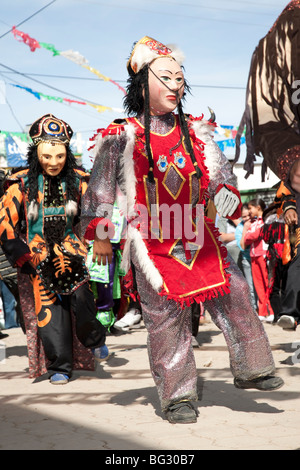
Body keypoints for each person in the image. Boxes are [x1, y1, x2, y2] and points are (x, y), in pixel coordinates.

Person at [81, 36, 283, 424]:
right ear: (142, 83)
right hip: (150, 241)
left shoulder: (197, 131)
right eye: (166, 76)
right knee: (165, 318)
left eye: (180, 77)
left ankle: (252, 368)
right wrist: (104, 236)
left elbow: (221, 177)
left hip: (198, 233)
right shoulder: (120, 137)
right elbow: (102, 193)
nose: (176, 84)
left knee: (237, 292)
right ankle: (178, 398)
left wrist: (225, 196)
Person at [0, 114, 107, 383]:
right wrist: (21, 254)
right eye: (47, 156)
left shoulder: (80, 179)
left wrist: (101, 237)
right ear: (36, 153)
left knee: (83, 299)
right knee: (50, 312)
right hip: (37, 255)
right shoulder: (20, 183)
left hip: (73, 251)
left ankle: (93, 338)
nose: (54, 162)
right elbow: (4, 222)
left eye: (59, 156)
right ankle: (60, 366)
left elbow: (96, 211)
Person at [242, 198, 274, 322]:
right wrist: (251, 235)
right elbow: (246, 239)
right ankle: (262, 311)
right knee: (258, 285)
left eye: (251, 208)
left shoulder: (266, 220)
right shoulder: (253, 223)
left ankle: (270, 311)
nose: (249, 211)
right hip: (253, 255)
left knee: (267, 284)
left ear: (258, 208)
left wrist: (251, 235)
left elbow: (255, 235)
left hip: (264, 254)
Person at [235, 203, 257, 312]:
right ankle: (254, 310)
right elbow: (242, 246)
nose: (247, 218)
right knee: (251, 286)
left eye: (249, 215)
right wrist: (245, 229)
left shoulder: (258, 222)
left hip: (259, 259)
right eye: (244, 217)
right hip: (247, 260)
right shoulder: (240, 227)